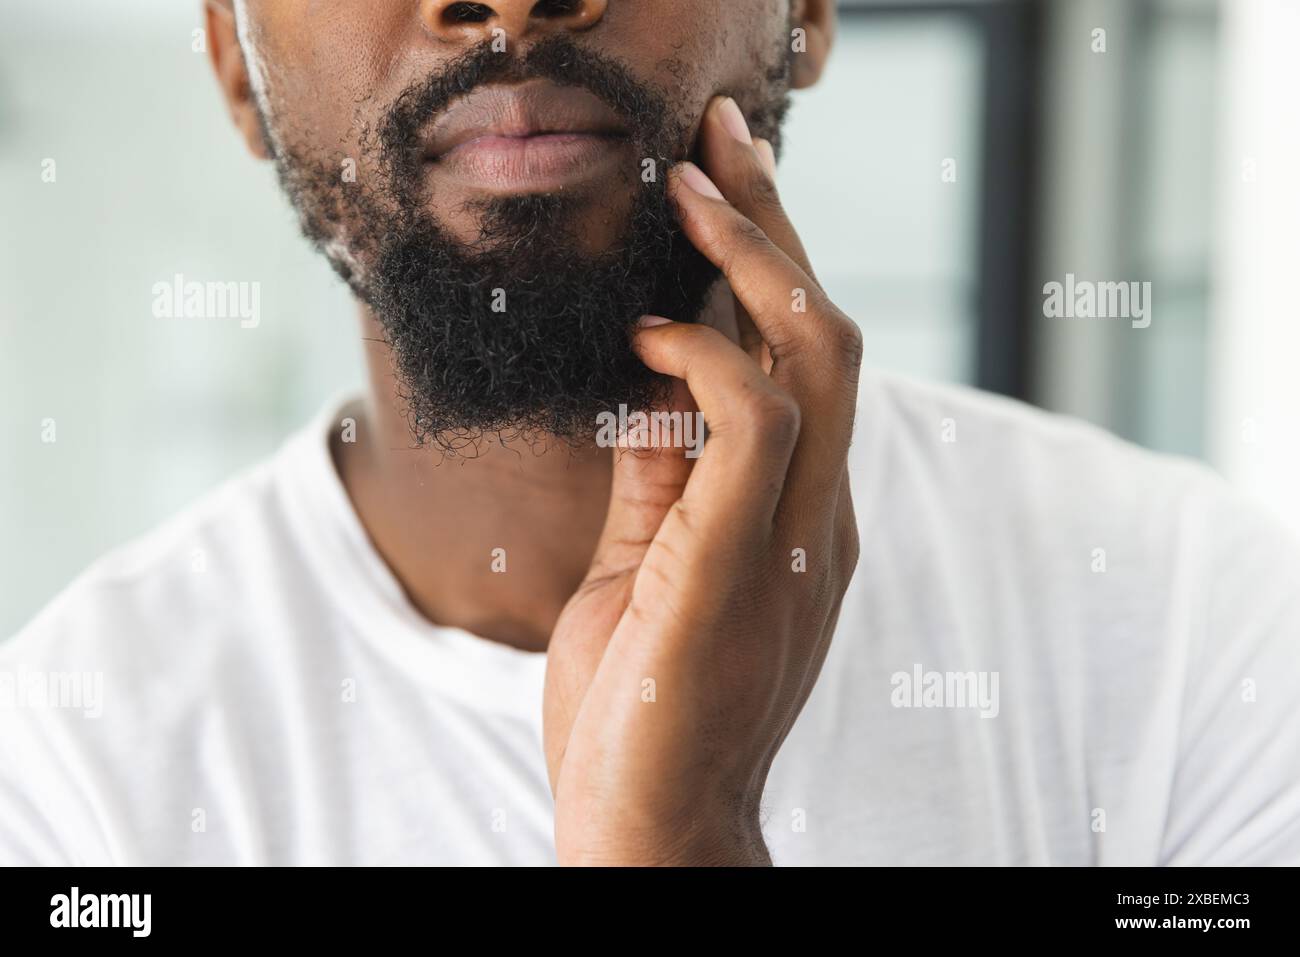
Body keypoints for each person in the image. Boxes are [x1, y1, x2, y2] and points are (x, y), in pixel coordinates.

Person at [2, 0, 1297, 866]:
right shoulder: (68, 774)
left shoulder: (1200, 627)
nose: (512, 6)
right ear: (238, 67)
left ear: (804, 12)